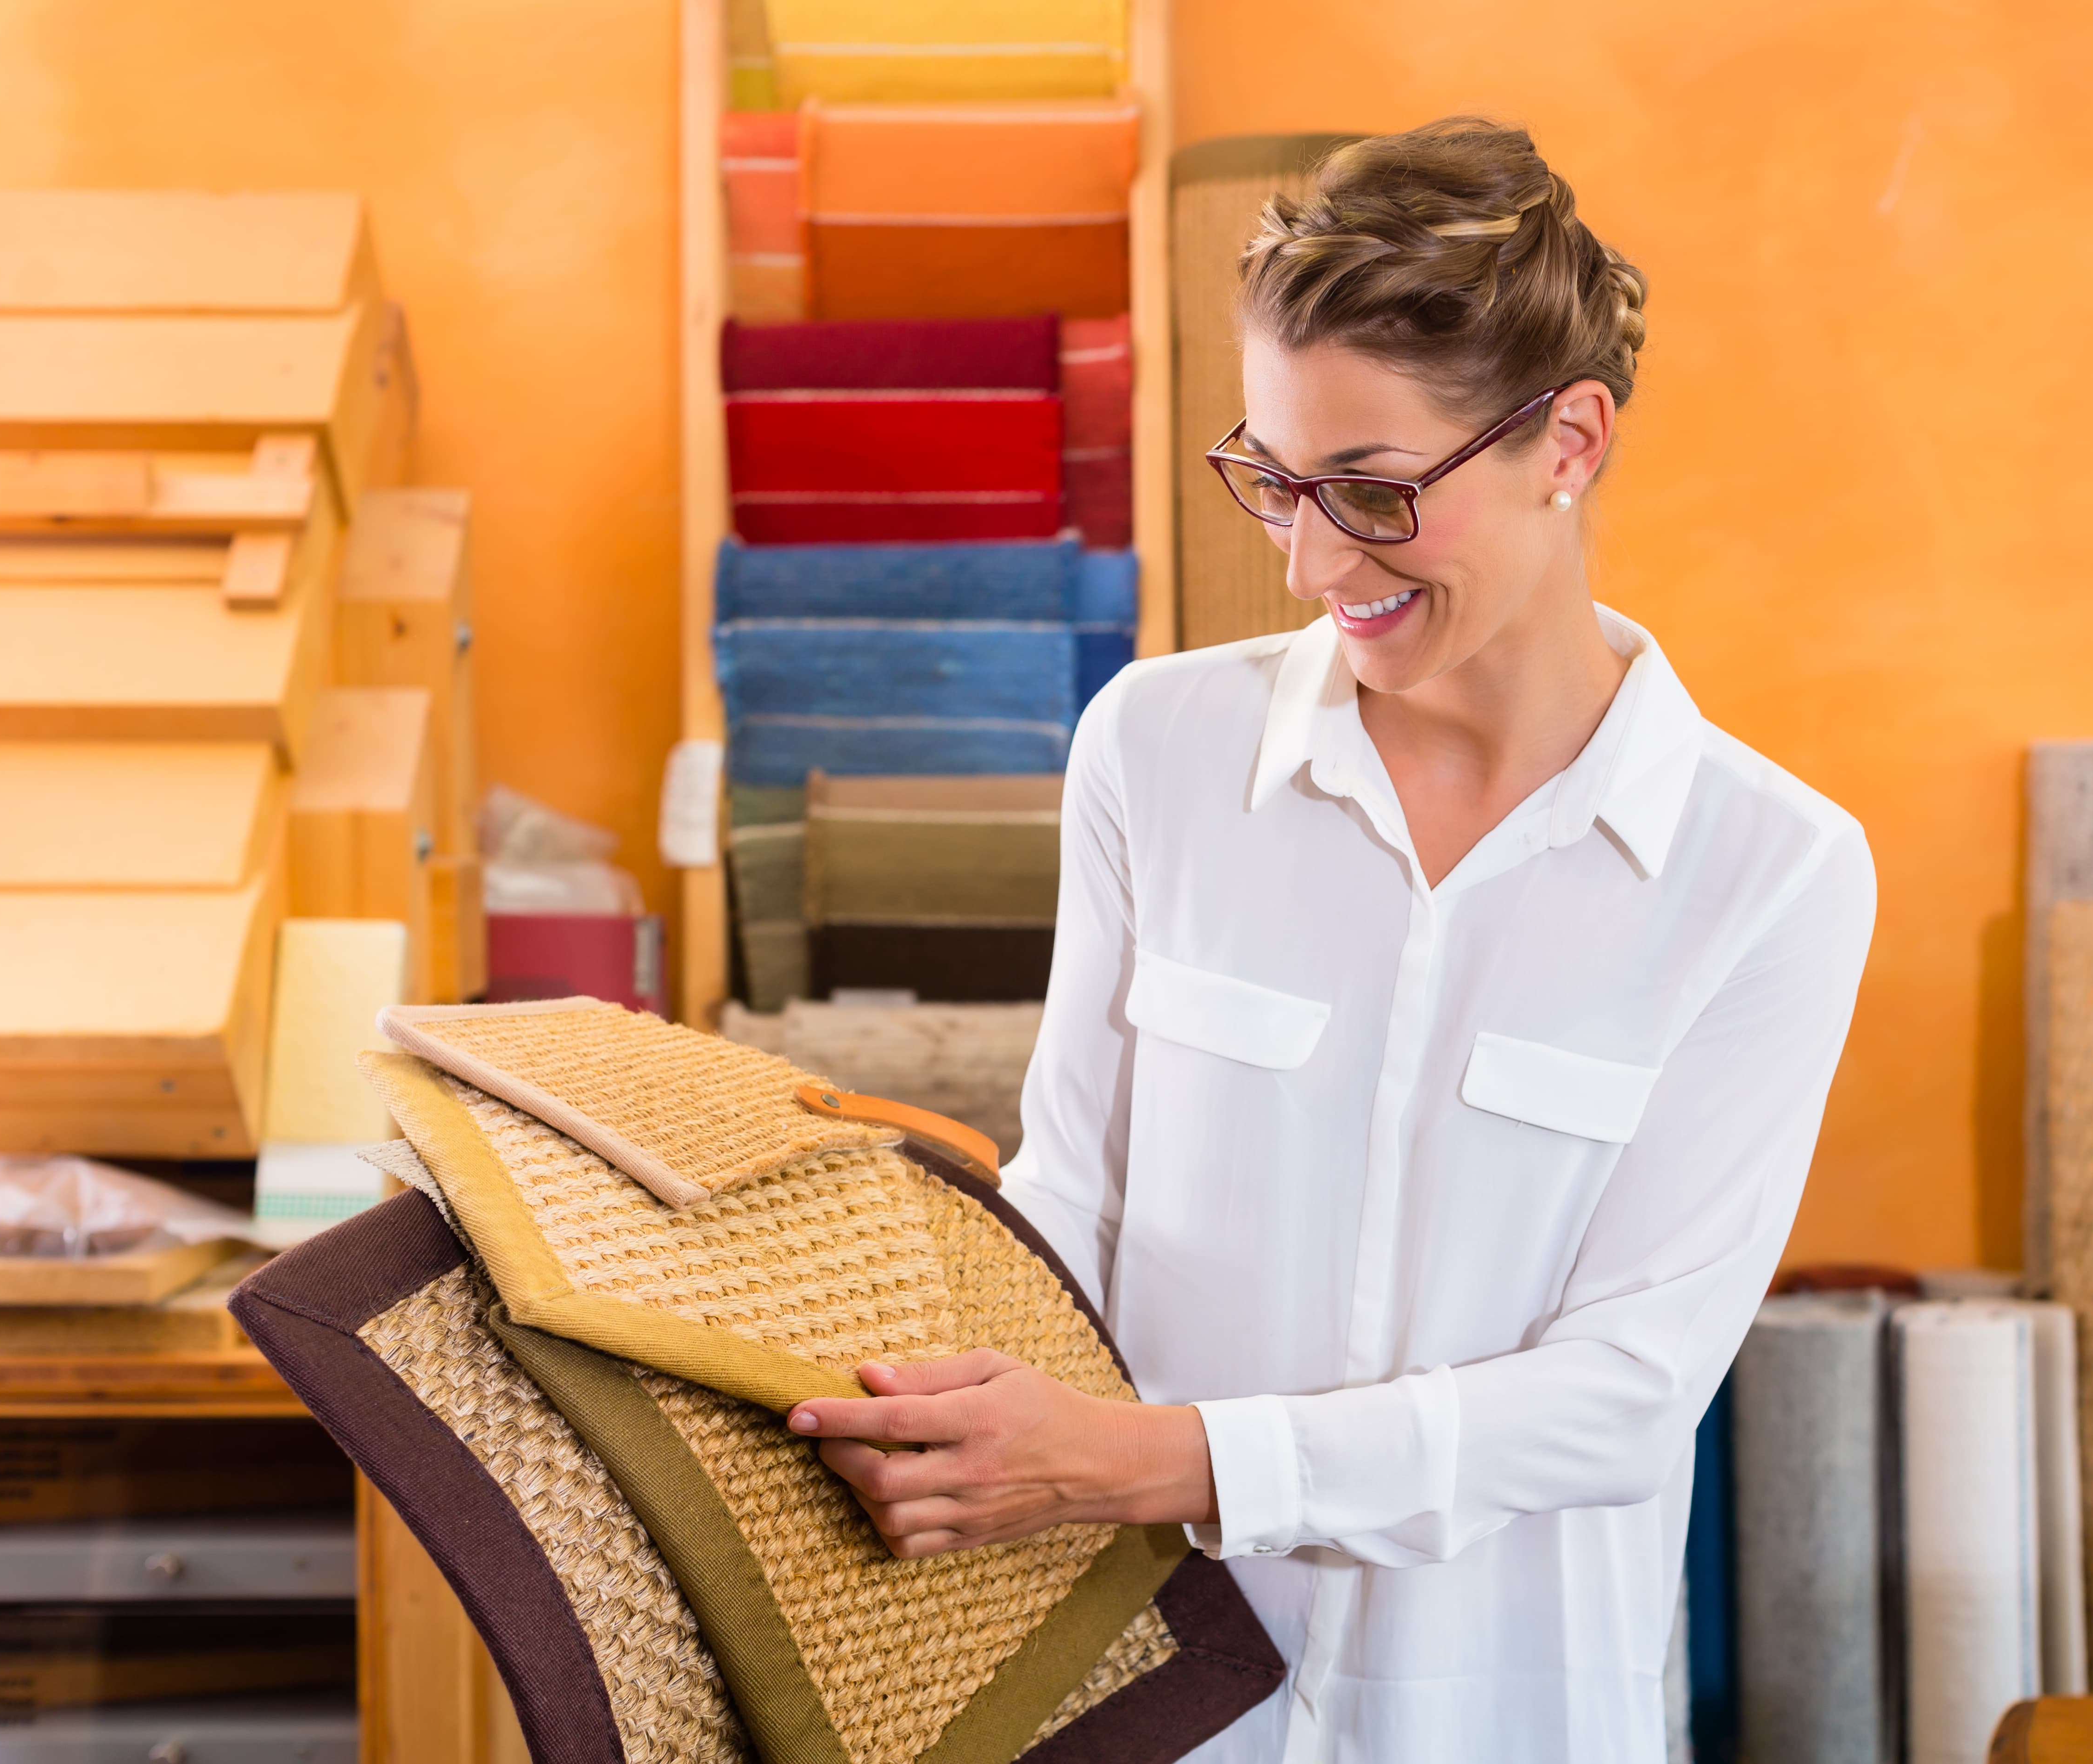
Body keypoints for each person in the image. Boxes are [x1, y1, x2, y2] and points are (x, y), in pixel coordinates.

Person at [789, 117, 1877, 1762]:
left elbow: (1626, 1392)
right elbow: (1067, 1198)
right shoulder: (1155, 749)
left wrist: (1144, 1458)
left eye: (1372, 492)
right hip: (1123, 1688)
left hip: (1510, 1713)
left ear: (1568, 440)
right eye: (1277, 483)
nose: (1309, 562)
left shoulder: (1769, 870)